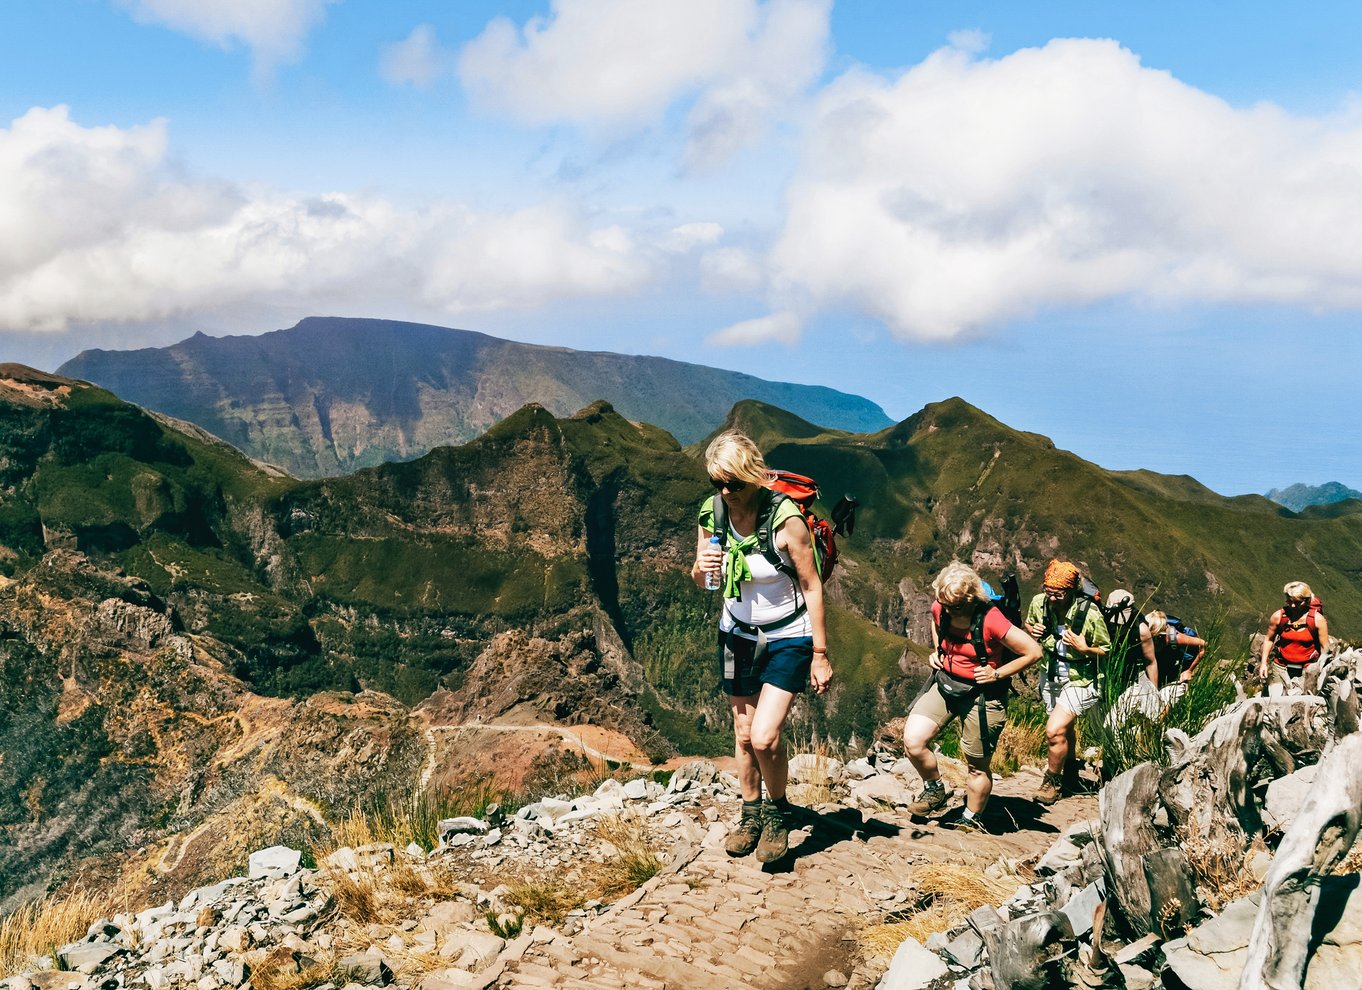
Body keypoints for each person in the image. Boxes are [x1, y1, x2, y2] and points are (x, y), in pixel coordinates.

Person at [692, 430, 832, 863]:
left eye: (733, 482)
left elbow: (812, 585)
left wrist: (821, 653)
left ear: (754, 476)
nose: (726, 492)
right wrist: (701, 568)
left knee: (766, 736)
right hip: (736, 633)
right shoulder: (712, 513)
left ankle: (776, 811)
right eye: (718, 483)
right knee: (742, 734)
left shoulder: (786, 520)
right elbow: (705, 582)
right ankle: (750, 814)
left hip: (789, 636)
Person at [903, 562, 1042, 831]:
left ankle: (970, 818)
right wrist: (938, 652)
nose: (947, 610)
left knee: (977, 766)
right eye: (943, 603)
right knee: (913, 740)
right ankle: (935, 791)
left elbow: (1033, 652)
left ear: (969, 600)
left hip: (983, 695)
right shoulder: (939, 607)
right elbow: (936, 623)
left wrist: (996, 674)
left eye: (954, 606)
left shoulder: (991, 619)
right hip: (947, 684)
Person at [1024, 560, 1110, 805]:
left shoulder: (1089, 614)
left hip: (1082, 678)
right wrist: (1033, 630)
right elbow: (1029, 623)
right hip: (1050, 673)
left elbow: (1107, 650)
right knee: (1064, 728)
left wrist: (1085, 648)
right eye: (1048, 592)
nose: (1052, 599)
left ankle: (1051, 782)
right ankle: (1071, 775)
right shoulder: (1039, 604)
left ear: (1071, 591)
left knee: (1054, 729)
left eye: (1058, 594)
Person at [1258, 582, 1329, 696]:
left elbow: (1325, 649)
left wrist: (1319, 670)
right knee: (1276, 701)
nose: (1292, 606)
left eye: (1297, 602)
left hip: (1307, 670)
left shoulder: (1317, 620)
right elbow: (1269, 639)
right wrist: (1263, 663)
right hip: (1281, 667)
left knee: (1299, 703)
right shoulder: (1279, 617)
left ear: (1307, 601)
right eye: (1289, 601)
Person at [1144, 610, 1207, 702]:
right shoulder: (1148, 636)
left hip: (1182, 663)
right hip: (1167, 658)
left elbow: (1203, 644)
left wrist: (1189, 671)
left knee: (1169, 696)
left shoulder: (1175, 638)